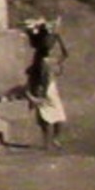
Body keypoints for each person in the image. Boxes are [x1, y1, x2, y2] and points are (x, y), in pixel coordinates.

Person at [22, 18, 69, 152]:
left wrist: (36, 94)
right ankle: (53, 139)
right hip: (47, 87)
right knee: (56, 115)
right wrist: (58, 35)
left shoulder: (43, 59)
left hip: (43, 87)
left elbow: (41, 76)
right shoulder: (47, 59)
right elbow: (65, 54)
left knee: (45, 115)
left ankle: (48, 141)